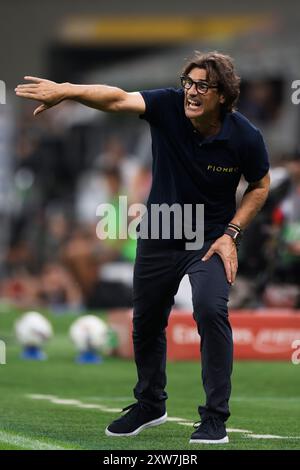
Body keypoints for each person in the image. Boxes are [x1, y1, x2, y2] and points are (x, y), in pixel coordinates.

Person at [15, 51, 270, 444]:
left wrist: (232, 232)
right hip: (159, 231)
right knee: (146, 322)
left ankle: (215, 417)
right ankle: (151, 404)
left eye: (203, 85)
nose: (191, 91)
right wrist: (67, 90)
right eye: (189, 82)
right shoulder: (167, 104)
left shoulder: (245, 136)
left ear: (223, 95)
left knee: (209, 308)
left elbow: (261, 185)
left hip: (209, 237)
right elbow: (115, 98)